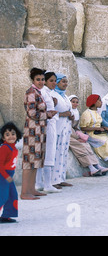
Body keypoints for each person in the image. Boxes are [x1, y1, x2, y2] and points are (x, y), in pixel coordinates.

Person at [22, 68, 57, 200]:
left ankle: (32, 189)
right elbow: (31, 113)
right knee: (29, 162)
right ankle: (25, 192)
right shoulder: (31, 92)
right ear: (33, 80)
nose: (41, 82)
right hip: (32, 131)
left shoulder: (38, 92)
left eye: (42, 79)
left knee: (36, 161)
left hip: (39, 131)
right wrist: (48, 114)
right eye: (38, 79)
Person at [79, 94, 108, 175]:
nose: (101, 102)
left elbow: (98, 124)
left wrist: (105, 128)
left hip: (98, 133)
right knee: (105, 142)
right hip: (91, 135)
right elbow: (83, 128)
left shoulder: (96, 112)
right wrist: (97, 128)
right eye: (99, 100)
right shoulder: (87, 113)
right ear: (94, 102)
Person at [68, 95, 108, 177]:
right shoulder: (68, 112)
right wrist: (77, 138)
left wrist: (80, 136)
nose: (75, 104)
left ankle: (97, 166)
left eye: (77, 102)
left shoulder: (75, 112)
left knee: (86, 145)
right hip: (67, 135)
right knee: (80, 146)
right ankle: (91, 168)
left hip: (74, 134)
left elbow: (76, 127)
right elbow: (67, 127)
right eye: (73, 102)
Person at [36, 72, 60, 193]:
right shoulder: (43, 92)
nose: (54, 83)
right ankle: (46, 184)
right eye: (51, 80)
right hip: (48, 124)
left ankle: (40, 183)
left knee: (46, 153)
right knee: (48, 153)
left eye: (55, 80)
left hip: (50, 123)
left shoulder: (48, 93)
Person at [51, 73, 74, 189]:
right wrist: (63, 114)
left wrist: (71, 116)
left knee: (63, 153)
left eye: (66, 81)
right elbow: (49, 112)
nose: (65, 84)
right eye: (63, 81)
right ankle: (53, 180)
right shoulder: (52, 95)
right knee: (55, 154)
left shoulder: (64, 96)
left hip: (66, 128)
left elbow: (68, 110)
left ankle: (60, 178)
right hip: (57, 127)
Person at [0, 122, 22, 223]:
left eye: (13, 134)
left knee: (12, 195)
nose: (11, 136)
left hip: (9, 176)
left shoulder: (13, 147)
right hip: (3, 175)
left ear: (17, 135)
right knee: (2, 196)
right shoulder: (4, 148)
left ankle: (6, 215)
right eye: (7, 135)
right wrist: (5, 176)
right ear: (3, 138)